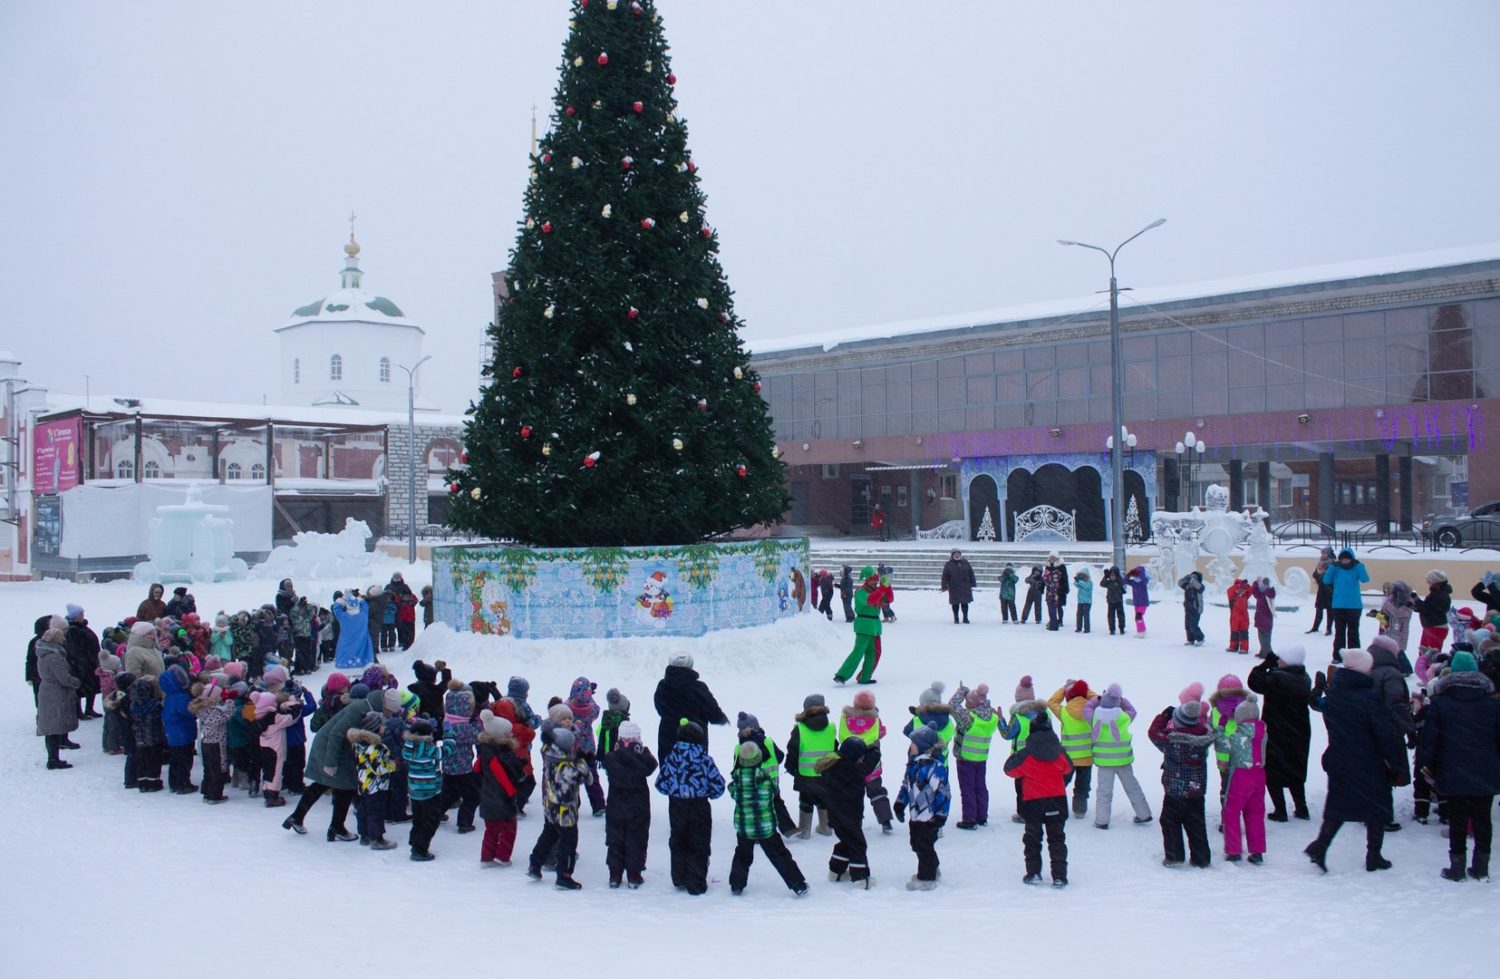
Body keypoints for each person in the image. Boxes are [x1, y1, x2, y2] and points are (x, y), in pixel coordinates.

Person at [1304, 649, 1408, 873]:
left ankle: (1320, 847)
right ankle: (1374, 855)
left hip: (1340, 758)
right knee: (1377, 809)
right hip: (1369, 762)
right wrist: (1395, 762)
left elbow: (1321, 709)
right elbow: (1383, 734)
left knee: (1338, 807)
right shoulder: (1370, 699)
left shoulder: (1335, 696)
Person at [1416, 651, 1499, 881]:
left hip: (1452, 768)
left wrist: (1427, 766)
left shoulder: (1441, 703)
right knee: (1483, 818)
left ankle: (1457, 866)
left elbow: (1431, 739)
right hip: (1486, 768)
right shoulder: (1492, 704)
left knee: (1458, 819)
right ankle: (1481, 867)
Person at [283, 685, 386, 841]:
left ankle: (298, 817)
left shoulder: (365, 707)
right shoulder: (358, 710)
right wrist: (330, 763)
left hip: (334, 748)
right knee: (345, 786)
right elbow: (336, 733)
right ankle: (337, 827)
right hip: (330, 748)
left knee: (323, 783)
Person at [727, 741, 808, 897]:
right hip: (766, 827)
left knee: (742, 856)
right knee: (780, 855)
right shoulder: (766, 780)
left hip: (745, 828)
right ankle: (798, 884)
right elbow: (774, 791)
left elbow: (732, 792)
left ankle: (736, 885)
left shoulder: (736, 781)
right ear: (759, 759)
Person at [654, 721, 725, 895]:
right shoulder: (705, 760)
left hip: (677, 805)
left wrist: (675, 791)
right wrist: (707, 793)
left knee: (678, 840)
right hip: (699, 806)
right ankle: (696, 882)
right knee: (699, 843)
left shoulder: (672, 758)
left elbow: (661, 784)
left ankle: (679, 877)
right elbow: (719, 786)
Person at [1003, 711, 1072, 886]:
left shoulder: (1027, 754)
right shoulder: (1060, 752)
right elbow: (1069, 769)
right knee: (1057, 839)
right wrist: (1060, 783)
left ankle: (1033, 873)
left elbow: (1009, 770)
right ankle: (1059, 876)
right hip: (1056, 799)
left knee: (1032, 838)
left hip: (1033, 802)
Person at [1148, 698, 1215, 868]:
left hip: (1175, 790)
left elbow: (1153, 732)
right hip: (1197, 789)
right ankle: (1201, 858)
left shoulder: (1171, 741)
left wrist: (1164, 716)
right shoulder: (1204, 738)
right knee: (1196, 822)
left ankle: (1174, 856)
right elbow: (1207, 727)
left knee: (1169, 821)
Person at [1247, 645, 1312, 821]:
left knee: (1273, 771)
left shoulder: (1276, 679)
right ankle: (1301, 807)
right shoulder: (1305, 678)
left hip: (1277, 730)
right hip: (1299, 730)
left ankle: (1280, 810)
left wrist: (1264, 665)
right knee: (1296, 770)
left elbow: (1254, 682)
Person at [1085, 683, 1153, 829]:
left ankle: (1102, 821)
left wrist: (1098, 699)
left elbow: (1087, 708)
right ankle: (1144, 813)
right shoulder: (1123, 717)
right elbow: (1132, 710)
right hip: (1124, 760)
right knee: (1132, 787)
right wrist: (1120, 700)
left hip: (1104, 763)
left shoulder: (1094, 717)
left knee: (1104, 792)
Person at [600, 720, 656, 887]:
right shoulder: (640, 757)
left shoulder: (612, 757)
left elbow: (608, 764)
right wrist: (641, 751)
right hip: (638, 805)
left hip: (616, 805)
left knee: (615, 839)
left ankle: (614, 874)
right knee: (636, 838)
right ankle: (634, 874)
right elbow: (652, 765)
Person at [894, 725, 950, 891]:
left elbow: (944, 792)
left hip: (930, 815)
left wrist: (941, 814)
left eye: (913, 744)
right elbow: (906, 785)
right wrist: (900, 803)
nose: (910, 746)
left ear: (923, 746)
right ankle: (933, 867)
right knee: (917, 843)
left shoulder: (935, 767)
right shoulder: (913, 765)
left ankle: (927, 878)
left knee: (924, 845)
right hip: (915, 814)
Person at [820, 737, 878, 888]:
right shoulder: (851, 770)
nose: (863, 760)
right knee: (858, 844)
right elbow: (870, 765)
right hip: (848, 816)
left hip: (838, 815)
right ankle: (860, 879)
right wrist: (874, 750)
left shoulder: (834, 767)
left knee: (847, 842)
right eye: (861, 757)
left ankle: (836, 872)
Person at [1216, 695, 1268, 863]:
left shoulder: (1238, 737)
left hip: (1241, 776)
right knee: (1255, 813)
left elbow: (1222, 744)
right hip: (1259, 776)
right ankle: (1257, 851)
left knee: (1231, 812)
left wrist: (1221, 727)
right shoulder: (1263, 735)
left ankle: (1234, 850)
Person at [652, 653, 729, 758]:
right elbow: (713, 713)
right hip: (694, 738)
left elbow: (659, 708)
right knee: (694, 770)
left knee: (669, 770)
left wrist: (672, 717)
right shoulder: (698, 688)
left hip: (667, 738)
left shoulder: (662, 686)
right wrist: (722, 719)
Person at [476, 709, 527, 866]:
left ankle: (487, 857)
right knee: (508, 828)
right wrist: (520, 768)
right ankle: (502, 856)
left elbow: (477, 769)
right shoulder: (504, 753)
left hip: (487, 795)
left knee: (491, 828)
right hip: (503, 796)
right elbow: (511, 775)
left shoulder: (484, 751)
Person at [838, 691, 894, 834]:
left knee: (852, 793)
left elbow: (842, 736)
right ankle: (885, 819)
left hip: (851, 763)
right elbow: (880, 733)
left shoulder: (846, 717)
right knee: (876, 791)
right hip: (871, 764)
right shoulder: (875, 719)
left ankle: (854, 820)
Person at [404, 716, 457, 862]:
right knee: (430, 821)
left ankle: (415, 840)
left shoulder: (409, 747)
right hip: (429, 792)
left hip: (415, 791)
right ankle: (419, 849)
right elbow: (448, 750)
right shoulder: (429, 750)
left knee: (418, 819)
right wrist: (449, 734)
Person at [948, 682, 999, 829]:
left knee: (968, 789)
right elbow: (981, 702)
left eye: (967, 701)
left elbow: (952, 705)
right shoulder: (992, 716)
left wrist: (962, 691)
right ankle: (982, 817)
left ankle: (969, 819)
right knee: (980, 787)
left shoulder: (968, 718)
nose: (965, 703)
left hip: (966, 758)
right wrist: (975, 695)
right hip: (982, 758)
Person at [348, 712, 398, 850]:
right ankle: (377, 838)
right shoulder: (376, 747)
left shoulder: (358, 744)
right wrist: (393, 765)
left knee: (363, 809)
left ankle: (364, 835)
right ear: (377, 727)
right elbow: (379, 768)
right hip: (376, 785)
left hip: (362, 782)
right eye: (382, 725)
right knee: (376, 810)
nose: (384, 728)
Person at [786, 694, 834, 838]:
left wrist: (790, 766)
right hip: (826, 772)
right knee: (824, 799)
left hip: (805, 774)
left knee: (806, 800)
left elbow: (793, 749)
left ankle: (805, 830)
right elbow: (835, 747)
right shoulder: (831, 727)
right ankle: (825, 827)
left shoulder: (800, 728)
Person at [833, 567, 892, 685]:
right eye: (873, 580)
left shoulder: (876, 590)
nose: (876, 582)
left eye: (877, 579)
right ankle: (842, 675)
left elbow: (889, 599)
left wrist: (887, 586)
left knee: (874, 653)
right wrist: (881, 589)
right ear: (867, 580)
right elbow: (871, 600)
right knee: (858, 651)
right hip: (864, 625)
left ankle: (865, 677)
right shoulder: (861, 591)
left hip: (874, 626)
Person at [35, 618, 80, 770]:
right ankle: (53, 759)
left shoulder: (44, 653)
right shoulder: (54, 656)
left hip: (48, 691)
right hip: (56, 693)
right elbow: (63, 678)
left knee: (51, 727)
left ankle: (53, 757)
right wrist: (76, 682)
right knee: (54, 726)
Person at [1049, 679, 1097, 818]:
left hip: (1067, 758)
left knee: (1061, 782)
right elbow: (1098, 698)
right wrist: (1083, 689)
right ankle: (1080, 809)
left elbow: (1051, 702)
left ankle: (1054, 804)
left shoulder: (1064, 712)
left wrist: (1064, 689)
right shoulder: (1092, 712)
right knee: (1083, 785)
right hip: (1087, 757)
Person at [1322, 548, 1369, 661]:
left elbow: (1365, 579)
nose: (1345, 561)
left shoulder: (1357, 568)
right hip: (1338, 605)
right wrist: (1332, 567)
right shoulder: (1336, 569)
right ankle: (1338, 656)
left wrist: (1359, 566)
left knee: (1353, 633)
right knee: (1339, 633)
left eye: (1347, 559)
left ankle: (1355, 656)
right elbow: (1326, 580)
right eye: (1343, 559)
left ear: (1352, 559)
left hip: (1354, 606)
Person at [63, 605, 102, 719]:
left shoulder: (83, 627)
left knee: (92, 686)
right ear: (75, 616)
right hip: (79, 664)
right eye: (80, 614)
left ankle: (89, 709)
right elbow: (74, 648)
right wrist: (81, 661)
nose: (83, 616)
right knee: (79, 688)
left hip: (90, 662)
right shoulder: (72, 630)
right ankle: (78, 711)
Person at [1413, 570, 1453, 681]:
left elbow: (1430, 609)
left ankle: (1432, 677)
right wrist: (1415, 604)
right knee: (1424, 652)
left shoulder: (1441, 594)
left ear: (1435, 581)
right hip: (1429, 626)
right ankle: (1425, 675)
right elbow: (1427, 608)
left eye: (1429, 580)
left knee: (1432, 654)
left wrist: (1417, 602)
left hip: (1436, 627)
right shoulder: (1436, 592)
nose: (1427, 582)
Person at [331, 591, 374, 670]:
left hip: (346, 646)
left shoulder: (344, 617)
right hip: (362, 645)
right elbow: (364, 604)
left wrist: (345, 598)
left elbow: (336, 607)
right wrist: (356, 597)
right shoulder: (363, 615)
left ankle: (347, 666)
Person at [941, 549, 977, 625]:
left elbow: (971, 573)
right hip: (954, 587)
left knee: (965, 603)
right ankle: (956, 618)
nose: (957, 555)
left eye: (958, 554)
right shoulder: (948, 564)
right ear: (952, 555)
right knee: (955, 604)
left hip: (965, 586)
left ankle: (965, 618)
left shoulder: (965, 563)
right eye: (955, 554)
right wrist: (944, 585)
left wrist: (973, 583)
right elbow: (945, 576)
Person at [1308, 546, 1335, 635]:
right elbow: (1315, 573)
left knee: (1330, 611)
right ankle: (1315, 628)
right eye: (1322, 553)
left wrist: (1322, 576)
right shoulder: (1320, 562)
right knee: (1319, 609)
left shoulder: (1332, 563)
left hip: (1330, 589)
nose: (1323, 555)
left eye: (1325, 553)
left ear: (1329, 553)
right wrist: (1317, 576)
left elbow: (1332, 576)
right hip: (1321, 589)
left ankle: (1329, 629)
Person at [388, 572, 418, 650]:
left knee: (402, 629)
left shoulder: (403, 587)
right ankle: (406, 643)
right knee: (401, 629)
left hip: (401, 614)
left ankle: (404, 643)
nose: (397, 578)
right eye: (395, 576)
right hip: (400, 613)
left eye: (398, 577)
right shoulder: (390, 586)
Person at [1043, 552, 1070, 631]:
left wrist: (1065, 588)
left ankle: (1059, 620)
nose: (1052, 559)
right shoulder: (1048, 566)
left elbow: (1065, 578)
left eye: (1053, 557)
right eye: (1051, 557)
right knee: (1051, 606)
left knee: (1059, 605)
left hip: (1059, 589)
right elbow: (1045, 577)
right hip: (1050, 589)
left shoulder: (1061, 566)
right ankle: (1053, 620)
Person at [1179, 571, 1206, 646]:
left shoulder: (1200, 587)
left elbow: (1200, 588)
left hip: (1196, 609)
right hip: (1188, 608)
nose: (1191, 583)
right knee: (1187, 625)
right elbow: (1180, 583)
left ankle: (1200, 638)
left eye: (1193, 580)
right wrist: (1186, 578)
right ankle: (1190, 639)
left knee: (1193, 624)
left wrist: (1193, 581)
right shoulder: (1187, 587)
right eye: (1190, 580)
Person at [1252, 577, 1276, 657]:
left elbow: (1256, 592)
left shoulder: (1264, 596)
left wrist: (1256, 583)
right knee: (1265, 638)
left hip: (1263, 620)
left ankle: (1267, 654)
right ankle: (1263, 652)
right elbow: (1256, 592)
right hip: (1266, 621)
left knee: (1264, 638)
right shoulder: (1267, 593)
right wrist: (1256, 583)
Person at [1125, 566, 1150, 637]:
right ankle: (1142, 631)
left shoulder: (1144, 581)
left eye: (1138, 572)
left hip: (1143, 603)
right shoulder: (1134, 582)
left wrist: (1140, 573)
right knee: (1138, 618)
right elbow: (1125, 581)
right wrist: (1129, 574)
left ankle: (1141, 632)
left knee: (1138, 616)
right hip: (1136, 603)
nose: (1137, 574)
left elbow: (1144, 579)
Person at [1101, 566, 1126, 636]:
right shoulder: (1108, 582)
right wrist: (1105, 577)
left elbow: (1122, 582)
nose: (1112, 577)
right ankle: (1112, 629)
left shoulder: (1119, 581)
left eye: (1114, 575)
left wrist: (1118, 577)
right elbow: (1102, 584)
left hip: (1119, 602)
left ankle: (1122, 628)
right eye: (1111, 575)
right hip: (1110, 602)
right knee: (1111, 616)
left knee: (1121, 616)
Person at [1073, 567, 1093, 633]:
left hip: (1087, 602)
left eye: (1084, 576)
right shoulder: (1081, 582)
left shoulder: (1090, 582)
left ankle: (1087, 628)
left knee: (1086, 615)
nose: (1083, 578)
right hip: (1080, 601)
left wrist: (1079, 581)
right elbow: (1075, 584)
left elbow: (1086, 587)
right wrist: (1077, 580)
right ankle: (1079, 627)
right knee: (1079, 615)